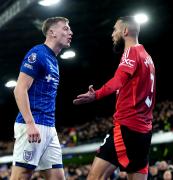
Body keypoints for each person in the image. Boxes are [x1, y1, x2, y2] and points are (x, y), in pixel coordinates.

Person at [73, 16, 155, 180]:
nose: (113, 34)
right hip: (144, 132)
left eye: (115, 29)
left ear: (125, 31)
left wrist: (96, 95)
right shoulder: (147, 57)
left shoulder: (131, 52)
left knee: (95, 177)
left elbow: (118, 80)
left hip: (127, 127)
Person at [10, 17, 73, 180]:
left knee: (58, 177)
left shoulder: (53, 59)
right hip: (33, 124)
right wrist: (30, 124)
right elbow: (19, 89)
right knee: (21, 176)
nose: (70, 32)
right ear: (51, 32)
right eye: (65, 28)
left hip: (49, 127)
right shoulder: (37, 53)